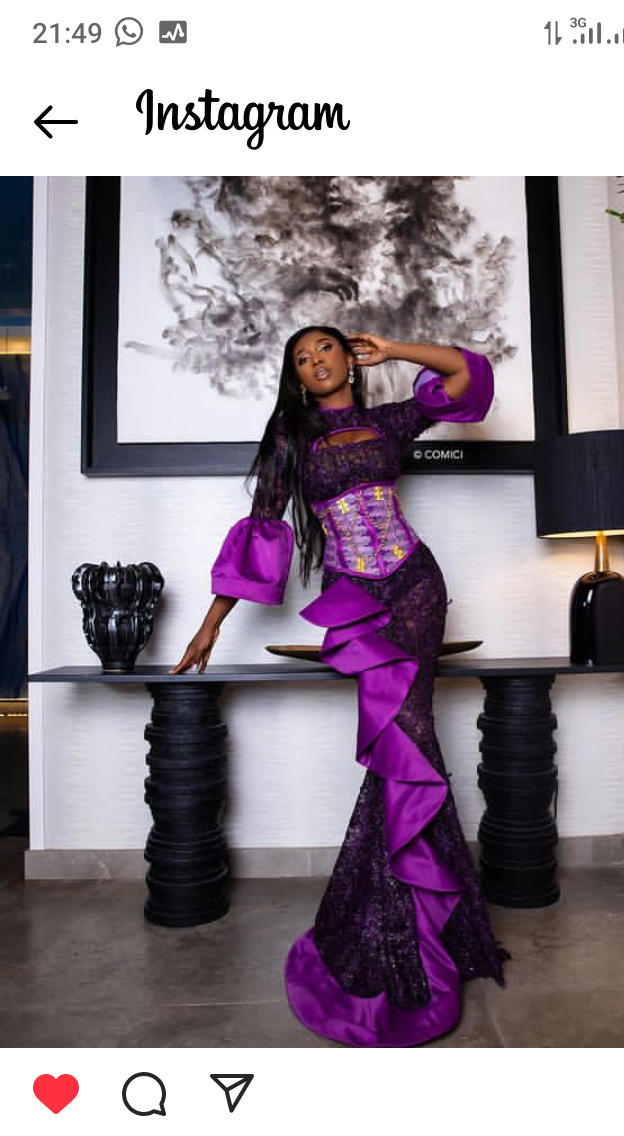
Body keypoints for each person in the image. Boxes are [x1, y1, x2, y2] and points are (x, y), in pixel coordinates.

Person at [172, 326, 509, 1046]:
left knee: (413, 741)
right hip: (356, 596)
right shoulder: (291, 440)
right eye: (301, 358)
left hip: (416, 586)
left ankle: (410, 918)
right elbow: (263, 530)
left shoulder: (389, 420)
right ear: (295, 377)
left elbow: (466, 375)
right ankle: (398, 916)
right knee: (404, 743)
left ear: (348, 360)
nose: (315, 362)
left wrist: (396, 349)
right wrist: (209, 626)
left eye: (325, 349)